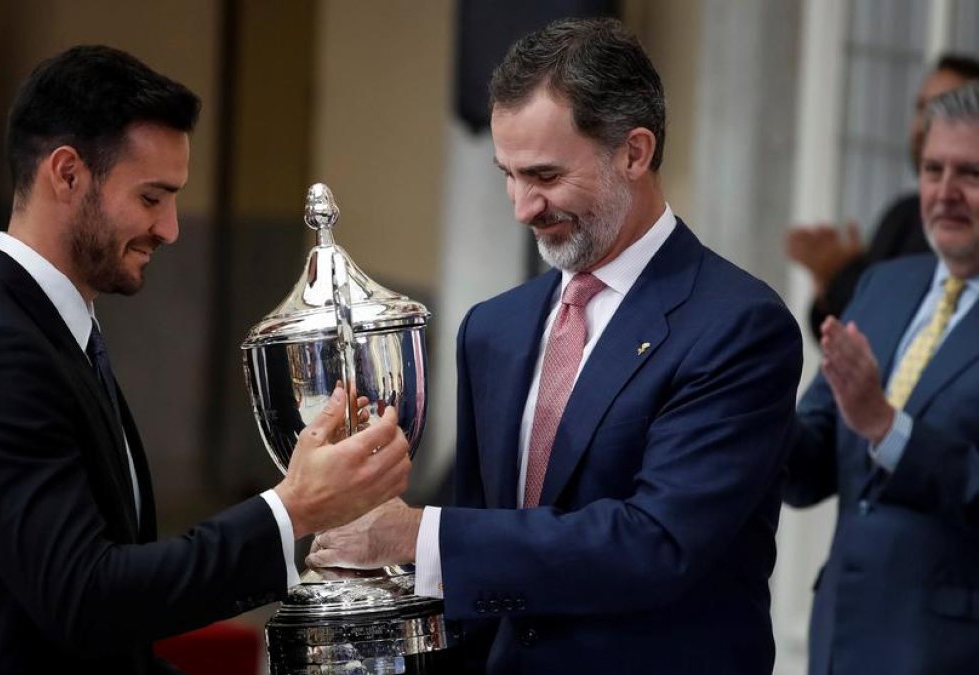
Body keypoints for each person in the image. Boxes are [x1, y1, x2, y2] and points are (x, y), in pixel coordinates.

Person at [0, 45, 411, 675]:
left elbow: (101, 638)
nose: (172, 228)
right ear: (67, 174)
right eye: (152, 198)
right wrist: (292, 510)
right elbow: (85, 599)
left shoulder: (45, 333)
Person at [308, 18, 803, 674]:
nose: (522, 206)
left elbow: (653, 544)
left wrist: (417, 534)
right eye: (507, 174)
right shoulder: (494, 327)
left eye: (543, 174)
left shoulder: (738, 326)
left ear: (634, 152)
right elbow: (482, 574)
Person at [784, 82, 979, 675]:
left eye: (970, 174)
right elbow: (810, 466)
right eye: (932, 169)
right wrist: (747, 407)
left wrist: (887, 428)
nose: (944, 193)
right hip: (842, 635)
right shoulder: (884, 284)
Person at [786, 54, 979, 341]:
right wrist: (830, 281)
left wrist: (839, 273)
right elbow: (853, 334)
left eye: (969, 172)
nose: (926, 124)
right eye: (921, 108)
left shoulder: (956, 230)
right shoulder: (904, 213)